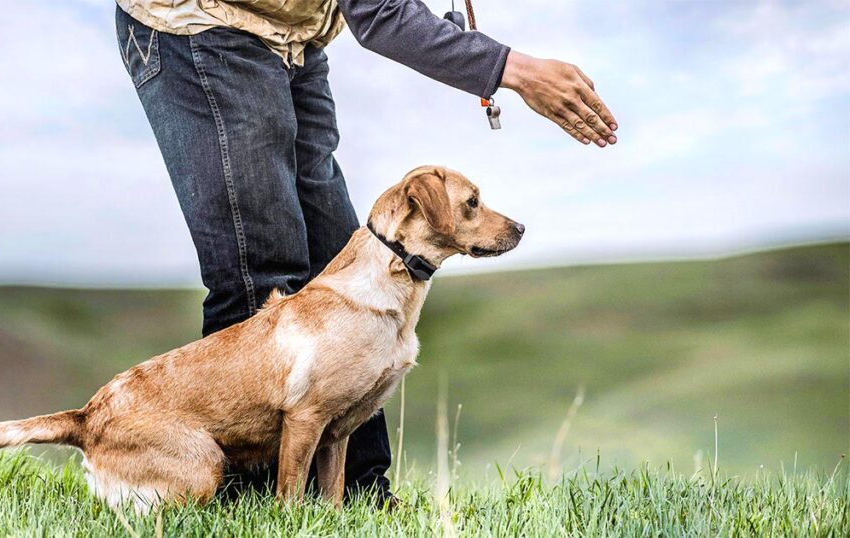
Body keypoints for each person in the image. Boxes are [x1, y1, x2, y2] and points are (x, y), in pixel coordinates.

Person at [113, 0, 617, 506]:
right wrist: (517, 70)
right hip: (201, 27)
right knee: (261, 269)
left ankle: (359, 499)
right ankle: (256, 506)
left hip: (294, 39)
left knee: (344, 263)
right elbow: (380, 12)